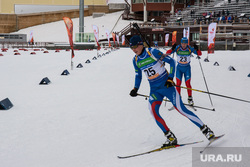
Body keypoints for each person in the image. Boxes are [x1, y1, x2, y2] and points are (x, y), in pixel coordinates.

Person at [129, 35, 215, 146]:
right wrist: (135, 88)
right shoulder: (135, 60)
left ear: (141, 44)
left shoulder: (152, 52)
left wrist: (170, 78)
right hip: (155, 90)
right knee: (153, 111)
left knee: (181, 109)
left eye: (135, 46)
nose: (133, 49)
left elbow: (172, 62)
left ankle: (206, 130)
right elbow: (138, 75)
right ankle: (170, 137)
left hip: (167, 86)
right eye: (131, 47)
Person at [166, 37, 201, 106]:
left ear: (187, 43)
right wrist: (172, 49)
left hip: (187, 68)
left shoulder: (189, 48)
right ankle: (178, 98)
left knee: (188, 83)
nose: (183, 45)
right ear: (181, 43)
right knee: (178, 83)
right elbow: (168, 53)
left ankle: (190, 98)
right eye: (182, 43)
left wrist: (197, 49)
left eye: (185, 43)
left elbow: (199, 54)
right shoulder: (178, 48)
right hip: (179, 68)